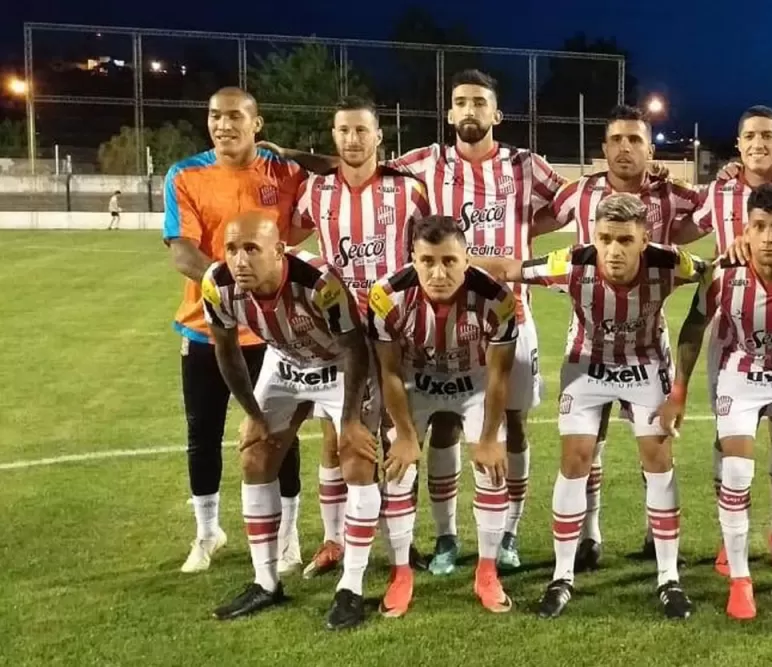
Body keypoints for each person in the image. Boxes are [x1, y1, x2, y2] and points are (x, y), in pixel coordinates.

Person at [266, 69, 562, 573]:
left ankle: (507, 533)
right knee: (431, 426)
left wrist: (523, 235)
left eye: (479, 102)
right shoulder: (425, 164)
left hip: (508, 313)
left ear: (497, 113)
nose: (470, 110)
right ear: (449, 113)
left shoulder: (524, 164)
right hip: (414, 321)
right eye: (461, 102)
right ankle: (433, 538)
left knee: (511, 424)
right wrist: (294, 156)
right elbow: (358, 163)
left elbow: (567, 204)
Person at [475, 193, 708, 620]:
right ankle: (562, 577)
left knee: (658, 458)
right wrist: (449, 262)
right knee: (575, 459)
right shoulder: (572, 262)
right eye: (605, 238)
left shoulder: (671, 263)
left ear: (645, 239)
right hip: (588, 366)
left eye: (625, 239)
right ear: (593, 237)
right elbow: (510, 269)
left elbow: (715, 274)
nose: (614, 249)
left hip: (645, 364)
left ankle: (669, 577)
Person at [656, 183, 772, 623]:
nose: (769, 237)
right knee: (736, 470)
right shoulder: (723, 271)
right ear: (746, 229)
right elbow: (693, 328)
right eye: (760, 227)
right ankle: (740, 580)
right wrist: (677, 391)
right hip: (743, 375)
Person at [542, 103, 703, 569]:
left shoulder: (669, 196)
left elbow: (714, 215)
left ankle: (659, 537)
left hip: (647, 343)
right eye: (617, 140)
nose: (626, 148)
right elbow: (536, 222)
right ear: (604, 148)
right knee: (586, 446)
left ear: (650, 148)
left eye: (636, 140)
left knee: (651, 443)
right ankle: (589, 536)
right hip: (588, 341)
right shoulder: (580, 194)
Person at [201, 212, 380, 631]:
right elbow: (226, 351)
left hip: (340, 364)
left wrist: (351, 419)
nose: (240, 260)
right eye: (232, 249)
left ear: (278, 251)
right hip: (285, 363)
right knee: (254, 459)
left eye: (251, 249)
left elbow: (355, 347)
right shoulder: (217, 285)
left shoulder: (318, 281)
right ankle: (266, 581)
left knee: (355, 460)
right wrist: (253, 415)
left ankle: (351, 586)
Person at [163, 87, 306, 575]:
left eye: (234, 117)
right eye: (214, 116)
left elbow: (345, 165)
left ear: (256, 124)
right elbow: (181, 250)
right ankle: (207, 533)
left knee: (280, 435)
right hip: (207, 328)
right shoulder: (185, 174)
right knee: (203, 434)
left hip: (273, 333)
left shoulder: (283, 172)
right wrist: (230, 290)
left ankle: (288, 536)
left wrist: (290, 152)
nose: (223, 125)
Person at [682, 105, 772, 577]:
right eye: (750, 136)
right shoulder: (721, 189)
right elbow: (686, 226)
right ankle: (732, 539)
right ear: (739, 144)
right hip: (731, 336)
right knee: (728, 442)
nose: (759, 143)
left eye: (768, 135)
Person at [291, 95, 430, 579]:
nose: (353, 139)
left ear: (379, 137)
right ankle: (333, 540)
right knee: (335, 434)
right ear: (334, 137)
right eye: (344, 131)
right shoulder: (315, 191)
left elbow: (428, 246)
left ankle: (401, 548)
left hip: (394, 327)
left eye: (361, 131)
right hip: (338, 331)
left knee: (398, 434)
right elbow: (288, 237)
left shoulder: (408, 190)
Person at [367, 215, 519, 616]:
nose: (438, 273)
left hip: (473, 381)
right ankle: (401, 574)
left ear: (466, 259)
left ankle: (487, 573)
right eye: (428, 261)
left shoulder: (497, 298)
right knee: (399, 471)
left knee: (490, 467)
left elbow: (500, 373)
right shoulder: (386, 296)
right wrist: (402, 433)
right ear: (412, 260)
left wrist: (487, 439)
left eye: (449, 261)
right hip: (416, 381)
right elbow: (390, 371)